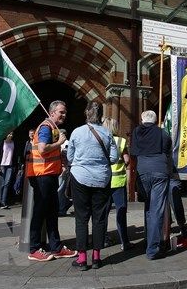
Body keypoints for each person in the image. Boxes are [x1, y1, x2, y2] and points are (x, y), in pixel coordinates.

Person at [67, 102, 118, 271]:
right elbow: (114, 158)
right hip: (102, 179)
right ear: (101, 115)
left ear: (86, 113)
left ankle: (82, 259)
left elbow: (70, 157)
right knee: (99, 218)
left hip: (80, 177)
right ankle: (96, 258)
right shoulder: (107, 133)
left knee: (81, 218)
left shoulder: (76, 132)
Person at [25, 100, 77, 261]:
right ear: (52, 112)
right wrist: (60, 143)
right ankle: (34, 249)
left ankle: (56, 247)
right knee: (40, 211)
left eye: (65, 112)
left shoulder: (51, 128)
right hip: (42, 174)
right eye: (61, 112)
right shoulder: (46, 127)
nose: (64, 115)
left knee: (52, 211)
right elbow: (42, 149)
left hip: (49, 174)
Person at [130, 110, 171, 260]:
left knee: (149, 208)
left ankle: (149, 241)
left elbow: (133, 151)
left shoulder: (136, 132)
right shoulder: (162, 133)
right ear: (155, 120)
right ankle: (153, 249)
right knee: (156, 210)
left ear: (142, 119)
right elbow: (168, 148)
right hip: (159, 171)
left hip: (143, 171)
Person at [102, 117, 133, 251]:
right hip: (118, 182)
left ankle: (102, 240)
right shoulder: (121, 141)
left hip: (104, 182)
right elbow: (127, 160)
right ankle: (124, 242)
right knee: (121, 212)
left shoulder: (100, 140)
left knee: (103, 213)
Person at [0, 131, 15, 209]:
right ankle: (0, 202)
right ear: (6, 134)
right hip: (2, 165)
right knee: (2, 184)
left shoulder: (13, 143)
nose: (10, 135)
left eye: (12, 134)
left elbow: (15, 155)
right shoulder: (2, 143)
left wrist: (15, 165)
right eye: (9, 134)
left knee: (7, 184)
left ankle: (3, 202)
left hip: (10, 165)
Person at [57, 129, 72, 216]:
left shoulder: (67, 144)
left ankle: (61, 209)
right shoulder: (59, 143)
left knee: (60, 190)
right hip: (59, 169)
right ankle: (65, 204)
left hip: (63, 169)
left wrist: (65, 168)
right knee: (60, 189)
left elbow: (68, 157)